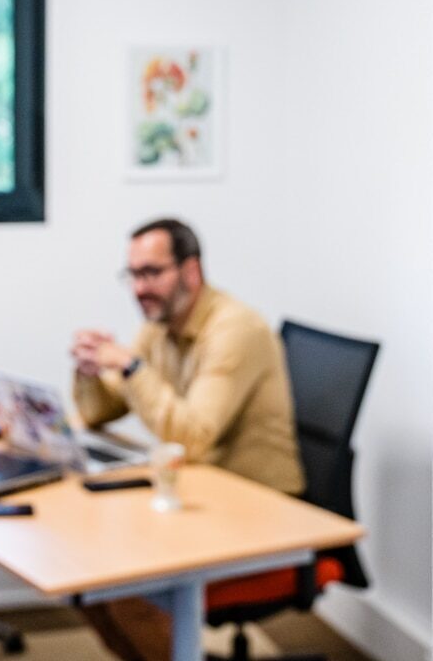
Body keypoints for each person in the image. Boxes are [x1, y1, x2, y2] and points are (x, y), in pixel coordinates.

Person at [70, 218, 304, 661]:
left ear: (191, 271)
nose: (139, 288)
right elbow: (99, 412)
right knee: (85, 575)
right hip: (198, 496)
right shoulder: (159, 326)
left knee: (124, 588)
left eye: (151, 273)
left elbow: (191, 438)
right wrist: (88, 372)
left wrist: (132, 368)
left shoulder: (235, 330)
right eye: (133, 275)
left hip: (260, 508)